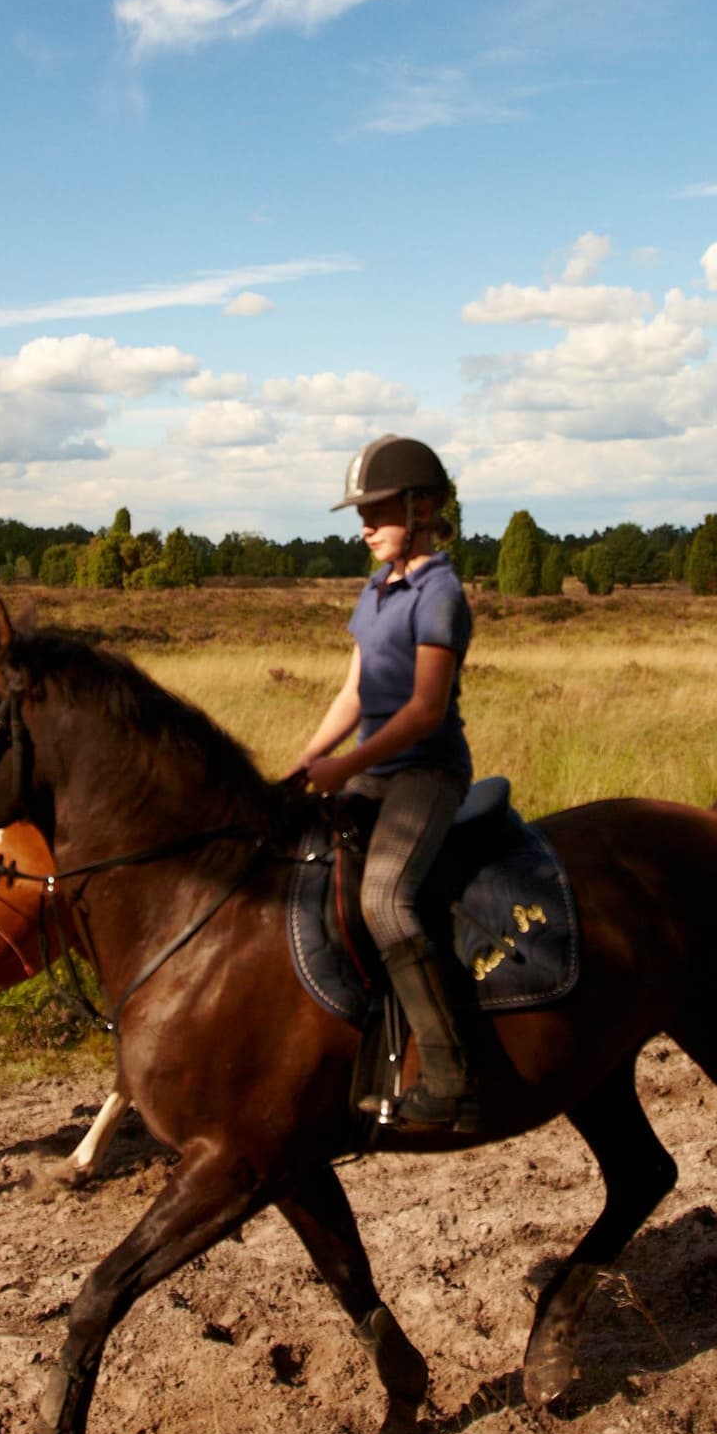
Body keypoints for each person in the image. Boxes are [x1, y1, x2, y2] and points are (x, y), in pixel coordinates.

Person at [291, 434, 481, 1136]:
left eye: (377, 511)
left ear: (423, 506)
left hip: (427, 774)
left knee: (385, 899)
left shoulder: (441, 593)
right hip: (371, 770)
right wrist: (305, 761)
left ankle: (453, 1078)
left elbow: (426, 709)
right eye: (360, 513)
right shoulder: (376, 587)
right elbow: (355, 692)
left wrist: (344, 766)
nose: (364, 526)